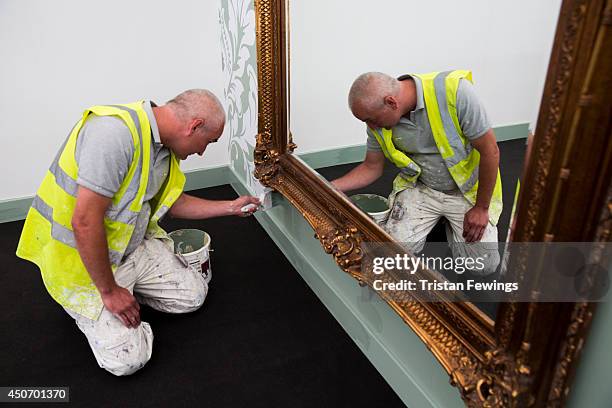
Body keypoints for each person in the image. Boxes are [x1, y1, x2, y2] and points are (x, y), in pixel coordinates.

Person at [16, 89, 261, 376]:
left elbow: (173, 203)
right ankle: (92, 309)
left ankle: (128, 293)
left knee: (193, 295)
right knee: (128, 361)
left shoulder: (164, 148)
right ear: (194, 126)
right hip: (82, 265)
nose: (202, 151)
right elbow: (84, 221)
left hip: (129, 249)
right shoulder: (112, 135)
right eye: (208, 141)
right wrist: (110, 292)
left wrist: (231, 207)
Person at [331, 71, 502, 275]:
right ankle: (441, 219)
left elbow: (490, 151)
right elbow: (371, 167)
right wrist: (331, 187)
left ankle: (449, 226)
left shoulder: (455, 93)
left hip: (465, 190)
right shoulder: (378, 119)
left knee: (484, 266)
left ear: (391, 102)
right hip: (421, 187)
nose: (371, 126)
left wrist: (481, 208)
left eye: (371, 120)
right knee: (391, 256)